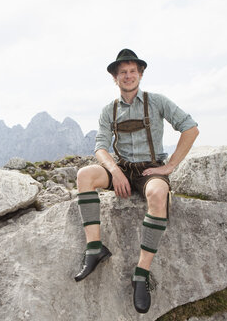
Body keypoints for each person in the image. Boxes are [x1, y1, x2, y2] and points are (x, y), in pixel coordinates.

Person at [73, 49, 199, 314]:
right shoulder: (110, 110)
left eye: (132, 71)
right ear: (115, 78)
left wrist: (171, 165)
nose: (128, 76)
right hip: (122, 169)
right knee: (85, 175)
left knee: (156, 195)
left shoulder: (157, 102)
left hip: (151, 170)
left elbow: (190, 128)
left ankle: (141, 274)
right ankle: (94, 248)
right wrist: (115, 172)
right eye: (122, 73)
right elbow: (100, 147)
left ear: (140, 74)